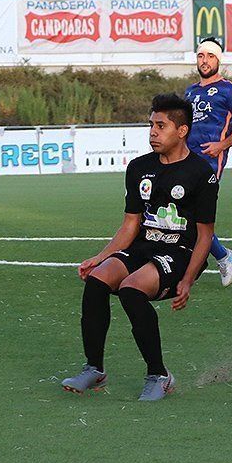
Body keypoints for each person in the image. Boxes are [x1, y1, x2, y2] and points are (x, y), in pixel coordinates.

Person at [61, 93, 219, 401]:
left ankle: (159, 375)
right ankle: (94, 369)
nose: (153, 132)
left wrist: (187, 279)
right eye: (151, 125)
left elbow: (205, 235)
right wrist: (100, 256)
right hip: (144, 247)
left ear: (182, 131)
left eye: (161, 126)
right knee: (96, 281)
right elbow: (130, 225)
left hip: (181, 253)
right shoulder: (138, 168)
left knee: (131, 290)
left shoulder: (201, 174)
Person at [184, 37, 232, 287]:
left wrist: (221, 146)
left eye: (210, 56)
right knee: (183, 215)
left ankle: (222, 256)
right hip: (184, 160)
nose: (205, 61)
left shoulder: (229, 89)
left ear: (218, 60)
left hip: (209, 162)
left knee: (193, 216)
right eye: (201, 56)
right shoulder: (190, 92)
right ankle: (220, 256)